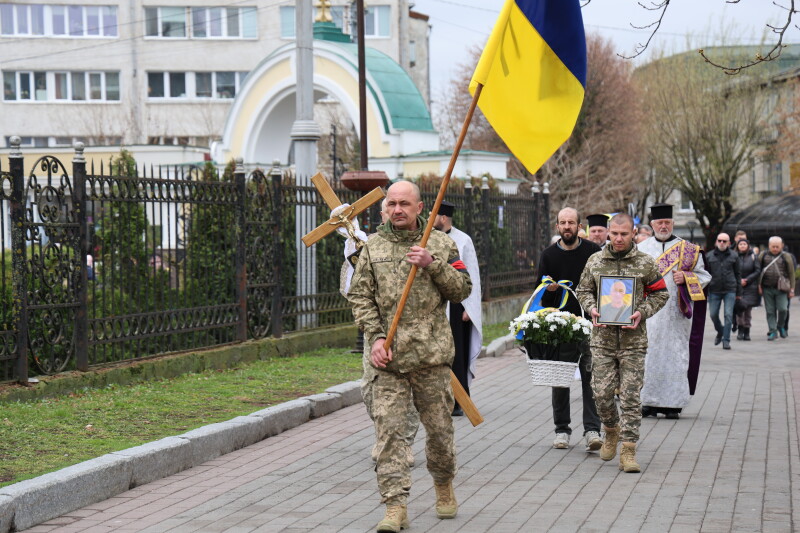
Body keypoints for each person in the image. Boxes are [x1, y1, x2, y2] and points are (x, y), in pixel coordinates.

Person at [348, 180, 472, 531]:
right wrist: (374, 339)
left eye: (405, 203)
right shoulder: (373, 248)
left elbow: (462, 289)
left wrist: (433, 264)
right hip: (388, 361)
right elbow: (361, 297)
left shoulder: (441, 244)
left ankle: (444, 485)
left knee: (439, 433)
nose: (397, 209)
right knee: (389, 434)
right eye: (392, 203)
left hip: (431, 359)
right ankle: (394, 505)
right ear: (384, 208)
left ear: (420, 208)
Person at [577, 213, 669, 473]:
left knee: (630, 396)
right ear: (608, 232)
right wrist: (592, 308)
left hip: (633, 341)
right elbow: (583, 290)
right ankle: (611, 430)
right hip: (602, 341)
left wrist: (642, 311)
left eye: (624, 234)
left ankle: (628, 449)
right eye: (614, 233)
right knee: (602, 394)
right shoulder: (595, 260)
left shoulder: (645, 263)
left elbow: (661, 292)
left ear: (633, 233)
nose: (618, 239)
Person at [535, 207, 603, 452]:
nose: (567, 227)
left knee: (591, 378)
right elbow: (539, 295)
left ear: (579, 226)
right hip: (561, 326)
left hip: (589, 323)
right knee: (560, 378)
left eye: (571, 222)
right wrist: (549, 291)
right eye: (562, 223)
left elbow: (602, 283)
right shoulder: (548, 255)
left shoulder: (593, 252)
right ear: (557, 227)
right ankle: (562, 430)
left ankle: (592, 429)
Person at [638, 203, 710, 419]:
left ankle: (673, 405)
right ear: (652, 224)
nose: (663, 226)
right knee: (648, 355)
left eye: (667, 222)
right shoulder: (641, 249)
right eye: (659, 222)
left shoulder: (688, 249)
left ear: (673, 223)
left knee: (675, 355)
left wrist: (688, 278)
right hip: (649, 313)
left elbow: (705, 276)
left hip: (676, 314)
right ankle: (648, 402)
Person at [433, 201, 482, 417]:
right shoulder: (430, 238)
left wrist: (469, 308)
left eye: (433, 215)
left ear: (443, 218)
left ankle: (459, 400)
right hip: (435, 305)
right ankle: (439, 398)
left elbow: (471, 275)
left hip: (456, 307)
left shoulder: (463, 240)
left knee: (457, 355)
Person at [705, 232, 742, 350]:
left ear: (729, 243)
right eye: (719, 240)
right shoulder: (709, 256)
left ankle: (726, 340)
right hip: (714, 289)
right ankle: (720, 331)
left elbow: (738, 274)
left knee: (728, 315)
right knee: (713, 314)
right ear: (716, 241)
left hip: (730, 289)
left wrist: (739, 292)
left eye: (724, 241)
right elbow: (705, 275)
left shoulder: (734, 256)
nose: (721, 243)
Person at [758, 236, 796, 340]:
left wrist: (792, 289)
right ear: (769, 246)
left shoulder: (786, 256)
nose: (775, 249)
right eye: (773, 246)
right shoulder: (763, 255)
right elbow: (758, 271)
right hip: (767, 288)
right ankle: (773, 331)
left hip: (782, 289)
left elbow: (791, 273)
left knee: (783, 309)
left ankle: (780, 325)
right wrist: (759, 286)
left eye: (777, 247)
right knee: (770, 311)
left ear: (782, 246)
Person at [735, 239, 761, 341]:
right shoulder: (735, 256)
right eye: (740, 244)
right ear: (738, 246)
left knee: (748, 310)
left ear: (748, 245)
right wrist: (739, 280)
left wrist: (747, 280)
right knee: (739, 308)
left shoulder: (753, 256)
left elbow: (758, 270)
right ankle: (740, 330)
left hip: (750, 286)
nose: (742, 246)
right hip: (738, 286)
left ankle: (747, 331)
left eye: (744, 244)